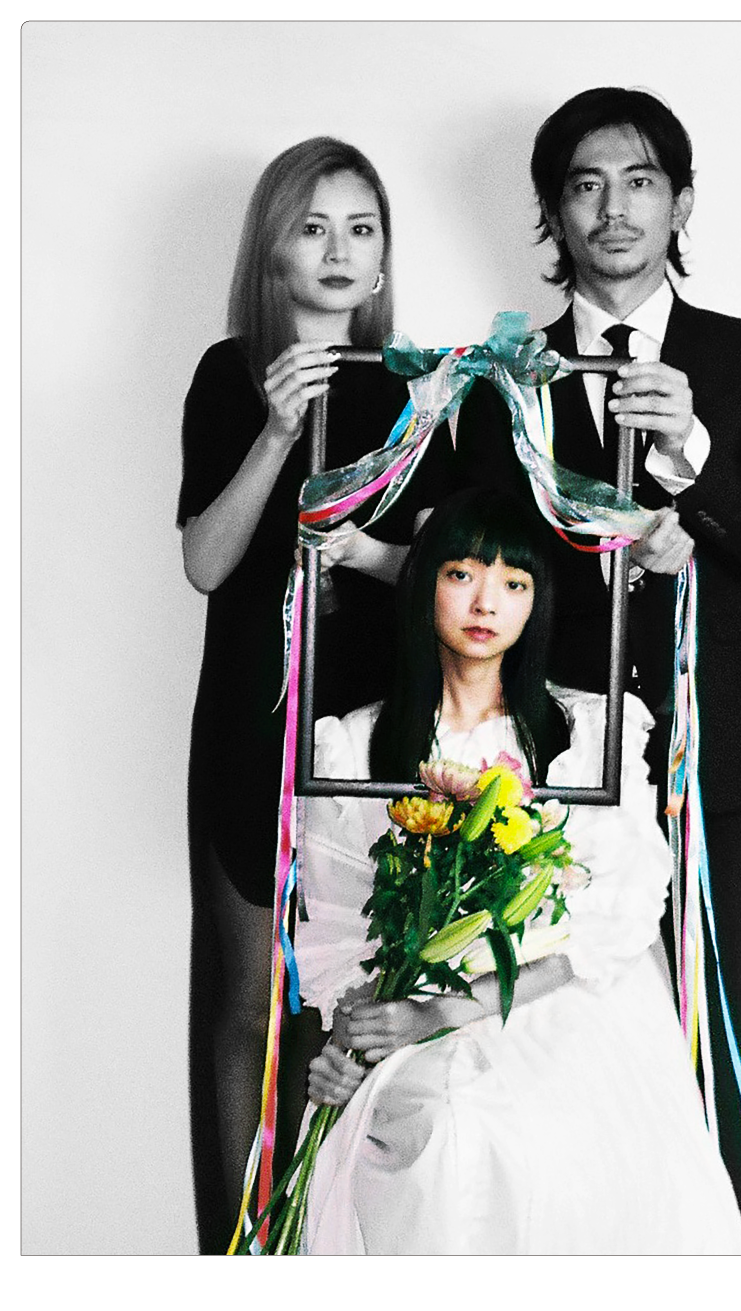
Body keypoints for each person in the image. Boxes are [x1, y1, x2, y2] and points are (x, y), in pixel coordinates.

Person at [453, 87, 741, 1253]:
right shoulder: (502, 374)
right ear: (554, 214)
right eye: (585, 185)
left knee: (728, 1029)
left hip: (732, 750)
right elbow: (484, 574)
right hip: (560, 757)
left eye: (641, 181)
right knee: (562, 1041)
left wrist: (694, 471)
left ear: (681, 203)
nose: (613, 208)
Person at [293, 488, 741, 1254]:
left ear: (537, 604)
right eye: (461, 575)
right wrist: (351, 1037)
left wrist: (447, 1013)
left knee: (536, 1141)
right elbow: (340, 928)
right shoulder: (353, 746)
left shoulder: (587, 735)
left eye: (513, 583)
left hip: (563, 1003)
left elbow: (612, 921)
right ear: (422, 583)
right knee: (442, 1134)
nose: (486, 603)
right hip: (414, 1016)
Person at [177, 136, 452, 1254]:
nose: (339, 250)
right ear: (274, 251)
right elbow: (205, 562)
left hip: (373, 732)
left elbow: (455, 574)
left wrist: (372, 556)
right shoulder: (230, 372)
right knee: (245, 1004)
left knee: (345, 1002)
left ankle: (330, 1253)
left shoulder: (424, 389)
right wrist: (279, 430)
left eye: (362, 228)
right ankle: (240, 1263)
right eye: (313, 226)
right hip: (253, 713)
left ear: (383, 260)